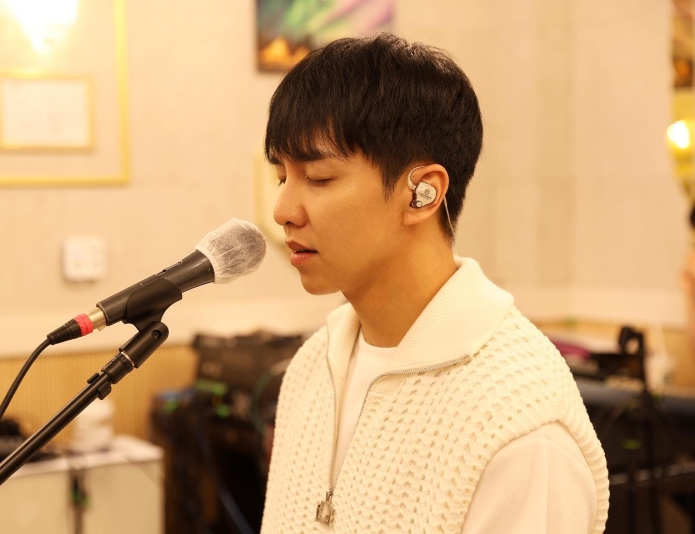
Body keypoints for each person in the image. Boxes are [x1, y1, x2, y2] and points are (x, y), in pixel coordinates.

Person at [260, 33, 609, 533]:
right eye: (282, 178)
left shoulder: (519, 422)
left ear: (422, 193)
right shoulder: (313, 366)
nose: (283, 211)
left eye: (318, 178)